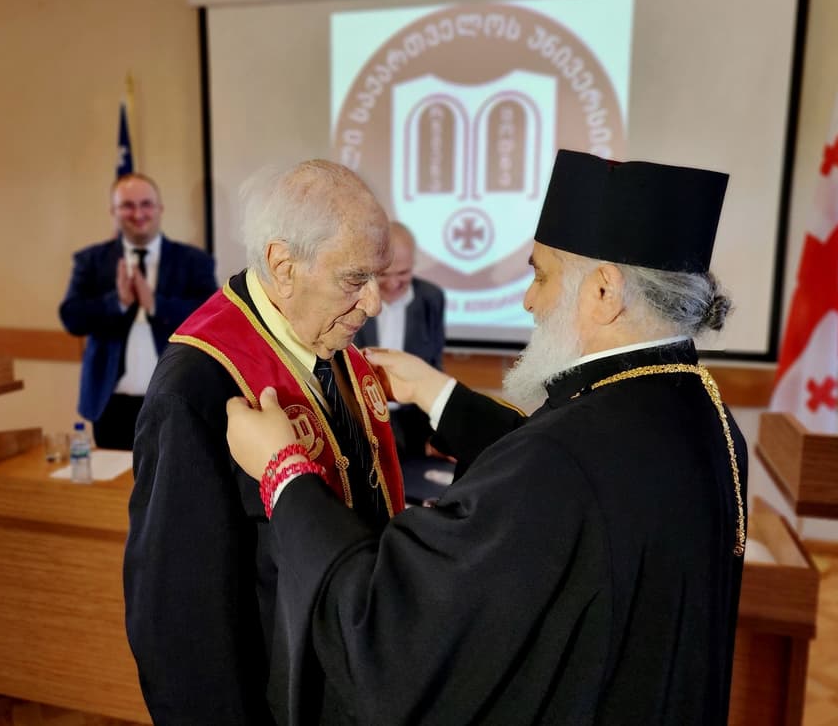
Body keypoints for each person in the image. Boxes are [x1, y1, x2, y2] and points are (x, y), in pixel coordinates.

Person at [226, 149, 748, 724]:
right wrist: (437, 394)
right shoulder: (697, 411)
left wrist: (286, 473)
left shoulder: (566, 460)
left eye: (542, 275)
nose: (529, 300)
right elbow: (571, 478)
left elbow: (392, 632)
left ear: (604, 291)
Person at [123, 159, 407, 724]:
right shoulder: (195, 387)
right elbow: (179, 619)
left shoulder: (328, 340)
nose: (375, 303)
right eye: (355, 280)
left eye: (379, 277)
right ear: (284, 266)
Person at [58, 172, 217, 450]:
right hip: (111, 406)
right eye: (127, 206)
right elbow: (71, 316)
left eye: (146, 204)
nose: (138, 213)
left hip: (174, 400)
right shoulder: (92, 261)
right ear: (113, 212)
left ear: (159, 209)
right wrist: (117, 301)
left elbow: (210, 319)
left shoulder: (194, 261)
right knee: (110, 491)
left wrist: (155, 304)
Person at [353, 221, 446, 461]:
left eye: (403, 273)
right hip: (362, 420)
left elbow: (433, 366)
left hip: (413, 420)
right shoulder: (353, 297)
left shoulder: (431, 298)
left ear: (414, 265)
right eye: (384, 274)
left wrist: (438, 431)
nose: (393, 284)